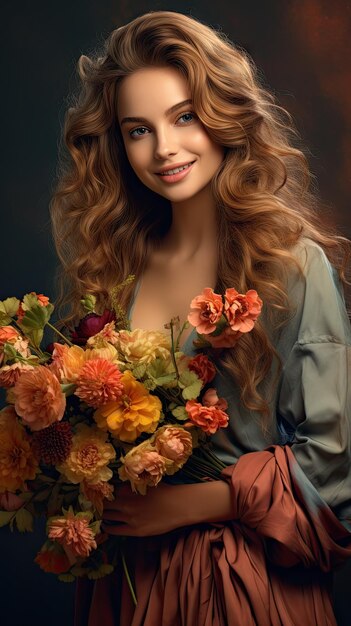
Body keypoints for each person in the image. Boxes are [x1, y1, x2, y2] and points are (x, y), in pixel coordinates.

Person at [50, 10, 351, 626]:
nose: (164, 149)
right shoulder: (112, 272)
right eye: (138, 130)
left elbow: (334, 456)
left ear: (224, 114)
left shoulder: (293, 268)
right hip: (128, 581)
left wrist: (192, 504)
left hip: (245, 584)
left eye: (184, 116)